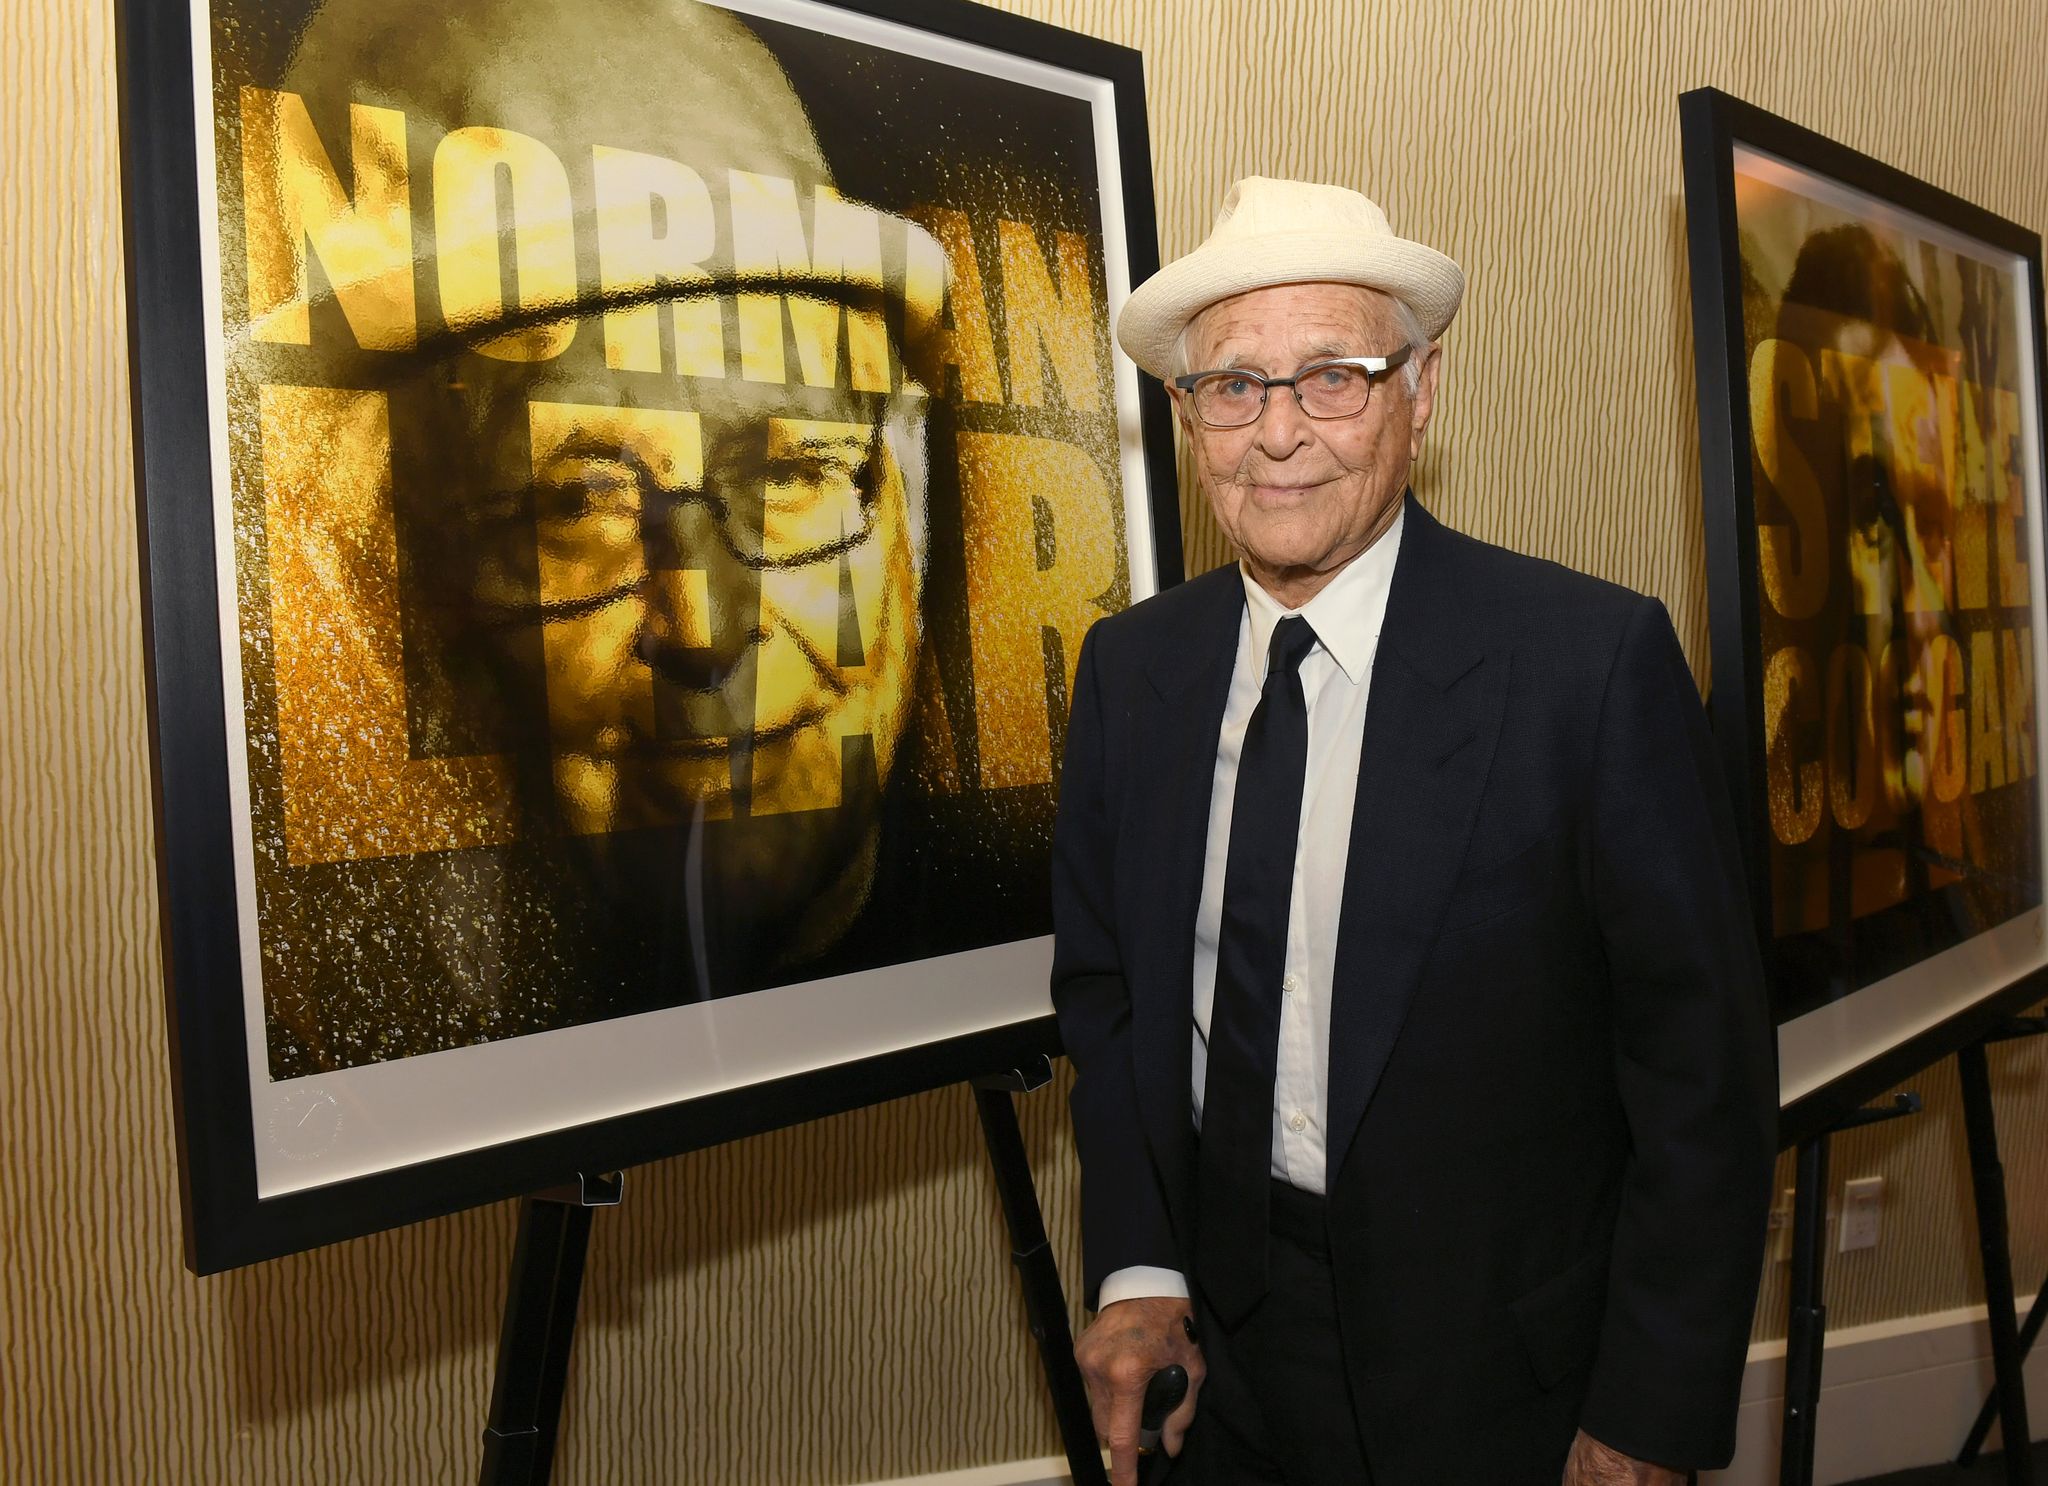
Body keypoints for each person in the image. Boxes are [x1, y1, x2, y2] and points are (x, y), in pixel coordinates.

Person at [1050, 177, 1775, 1485]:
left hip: (1504, 1379)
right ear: (1186, 417)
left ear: (1418, 391)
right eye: (1234, 386)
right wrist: (1141, 1263)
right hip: (1215, 1362)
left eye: (1333, 376)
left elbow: (1702, 1077)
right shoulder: (1128, 675)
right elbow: (1110, 1002)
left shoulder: (1589, 666)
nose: (1279, 434)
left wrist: (1647, 1416)